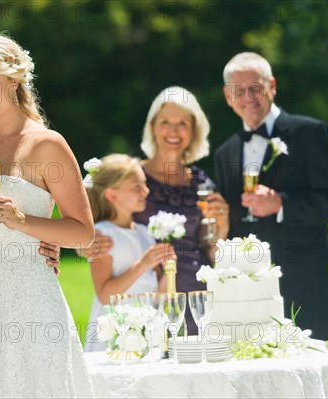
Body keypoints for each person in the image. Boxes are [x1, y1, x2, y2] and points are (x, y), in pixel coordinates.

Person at [0, 33, 94, 398]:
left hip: (31, 309)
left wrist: (25, 223)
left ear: (13, 80)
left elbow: (83, 233)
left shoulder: (46, 144)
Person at [215, 52, 328, 346]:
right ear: (228, 97)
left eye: (255, 87)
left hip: (310, 294)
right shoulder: (225, 153)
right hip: (252, 303)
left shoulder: (310, 133)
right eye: (238, 91)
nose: (248, 97)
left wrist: (282, 204)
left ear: (272, 86)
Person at [81, 86, 229, 334]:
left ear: (194, 130)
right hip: (142, 299)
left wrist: (222, 226)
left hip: (195, 294)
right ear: (152, 126)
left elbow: (212, 251)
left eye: (182, 123)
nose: (173, 131)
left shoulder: (203, 186)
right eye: (165, 122)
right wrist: (85, 245)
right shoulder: (130, 175)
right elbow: (93, 221)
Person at [82, 154, 176, 352]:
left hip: (146, 328)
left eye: (144, 184)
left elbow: (158, 292)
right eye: (137, 186)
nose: (146, 190)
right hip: (114, 331)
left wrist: (169, 269)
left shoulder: (144, 233)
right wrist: (144, 264)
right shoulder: (103, 234)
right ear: (112, 195)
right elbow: (105, 295)